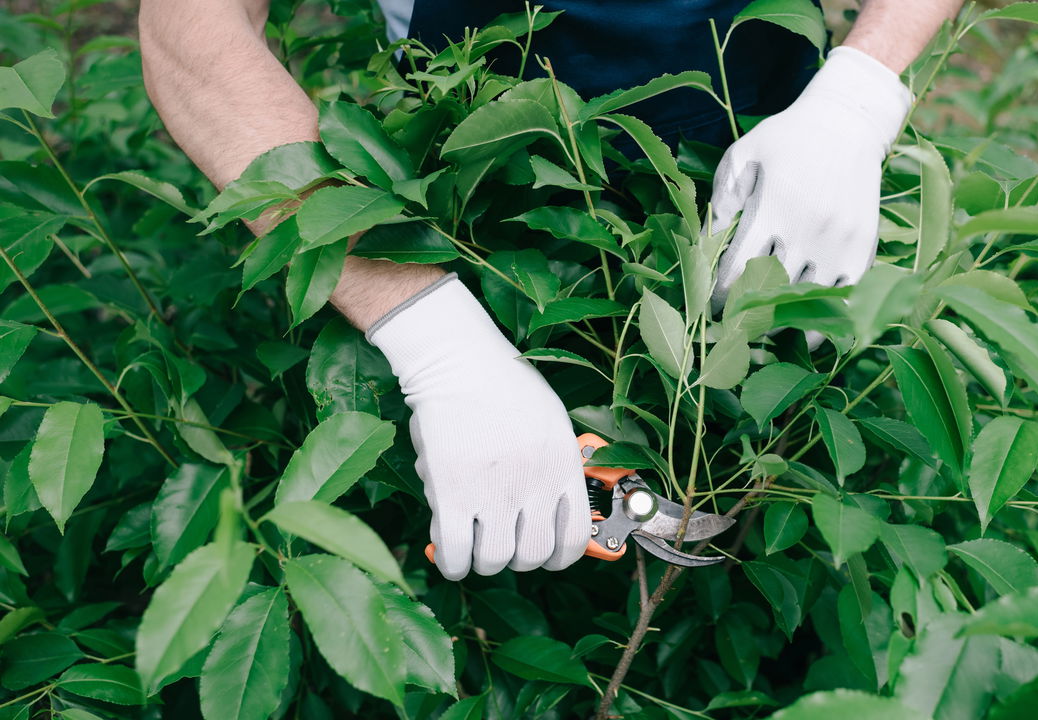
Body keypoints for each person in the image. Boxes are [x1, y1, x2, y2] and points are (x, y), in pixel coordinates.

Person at [138, 0, 962, 580]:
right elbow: (189, 30)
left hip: (773, 179)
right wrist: (430, 335)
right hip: (457, 206)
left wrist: (858, 97)